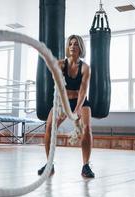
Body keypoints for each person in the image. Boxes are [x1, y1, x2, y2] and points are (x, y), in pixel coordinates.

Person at [38, 35, 95, 178]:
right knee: (49, 126)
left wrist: (77, 109)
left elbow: (83, 90)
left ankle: (86, 166)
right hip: (62, 102)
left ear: (80, 48)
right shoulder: (61, 64)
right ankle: (49, 164)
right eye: (70, 44)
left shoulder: (85, 68)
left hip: (80, 102)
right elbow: (55, 79)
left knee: (87, 128)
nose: (72, 46)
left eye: (76, 44)